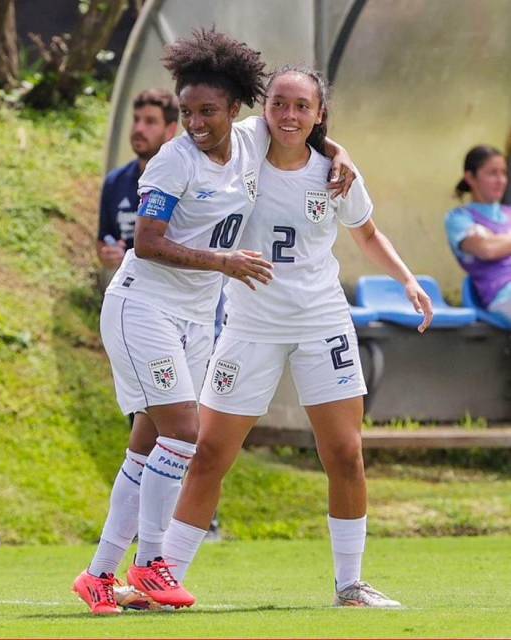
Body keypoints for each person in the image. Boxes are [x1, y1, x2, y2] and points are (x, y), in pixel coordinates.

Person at [73, 30, 356, 616]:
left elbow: (303, 129)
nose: (196, 123)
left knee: (148, 444)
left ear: (235, 110)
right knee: (184, 431)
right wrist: (222, 261)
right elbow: (147, 244)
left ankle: (100, 574)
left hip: (197, 318)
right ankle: (151, 564)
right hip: (143, 306)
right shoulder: (172, 162)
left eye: (207, 111)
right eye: (186, 112)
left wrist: (342, 153)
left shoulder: (250, 145)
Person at [160, 65, 434, 609]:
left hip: (321, 322)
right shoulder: (241, 150)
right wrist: (341, 147)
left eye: (302, 107)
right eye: (279, 104)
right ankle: (162, 579)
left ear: (318, 114)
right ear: (263, 110)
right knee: (210, 452)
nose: (289, 115)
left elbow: (368, 233)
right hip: (249, 325)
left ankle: (350, 586)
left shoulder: (334, 175)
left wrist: (406, 279)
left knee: (345, 453)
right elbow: (203, 134)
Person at [96, 88, 179, 292]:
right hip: (128, 295)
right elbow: (103, 238)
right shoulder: (115, 181)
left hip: (174, 298)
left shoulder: (184, 181)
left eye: (150, 121)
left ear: (170, 130)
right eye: (136, 119)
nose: (139, 128)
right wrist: (107, 255)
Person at [445, 145, 511, 322]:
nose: (501, 180)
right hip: (502, 295)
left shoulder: (509, 213)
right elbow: (486, 249)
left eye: (503, 173)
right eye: (492, 173)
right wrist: (494, 243)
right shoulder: (459, 218)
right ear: (470, 177)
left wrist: (499, 242)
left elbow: (492, 245)